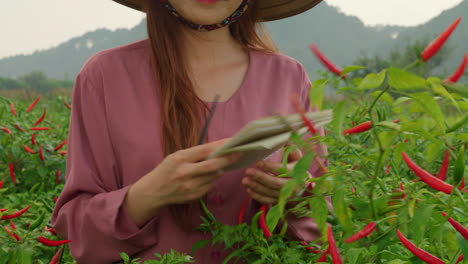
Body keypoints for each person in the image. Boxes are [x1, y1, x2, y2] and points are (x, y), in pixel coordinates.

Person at [51, 0, 327, 263]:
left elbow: (324, 221)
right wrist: (147, 194)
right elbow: (75, 228)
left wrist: (295, 196)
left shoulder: (289, 77)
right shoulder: (105, 77)